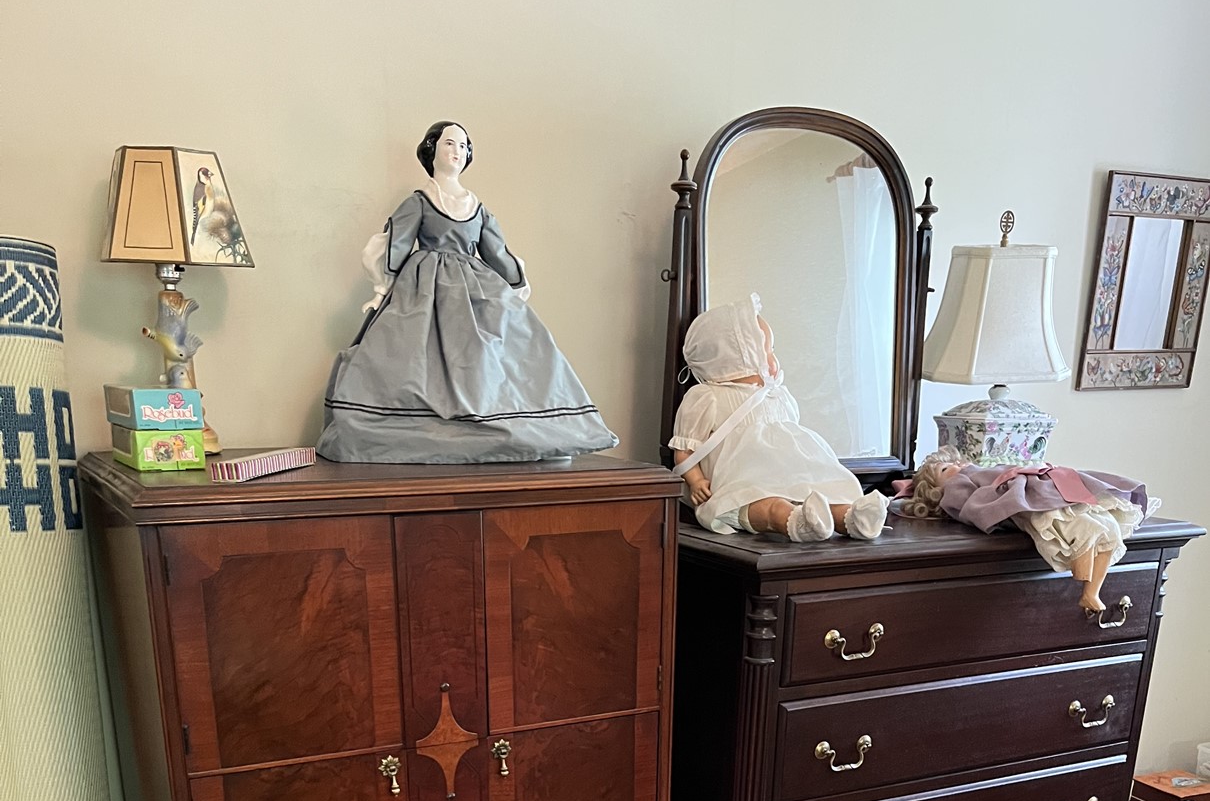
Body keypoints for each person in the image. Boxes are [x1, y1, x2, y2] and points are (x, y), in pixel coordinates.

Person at [317, 121, 618, 463]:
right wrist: (381, 288)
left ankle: (495, 425)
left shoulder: (476, 207)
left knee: (483, 358)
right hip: (423, 291)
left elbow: (496, 251)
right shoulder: (420, 201)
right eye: (449, 143)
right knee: (411, 356)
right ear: (431, 150)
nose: (457, 151)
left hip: (475, 292)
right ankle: (415, 427)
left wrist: (516, 287)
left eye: (463, 145)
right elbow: (395, 245)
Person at [668, 293, 888, 543]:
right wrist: (696, 480)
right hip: (744, 482)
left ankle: (848, 516)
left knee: (822, 491)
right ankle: (791, 521)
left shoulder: (777, 395)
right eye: (768, 350)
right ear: (739, 357)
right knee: (769, 505)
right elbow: (684, 451)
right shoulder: (708, 397)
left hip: (793, 475)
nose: (774, 358)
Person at [901, 446, 1156, 614]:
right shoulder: (957, 484)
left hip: (1045, 488)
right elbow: (968, 505)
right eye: (945, 469)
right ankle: (1087, 587)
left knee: (1109, 528)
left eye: (956, 462)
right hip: (1030, 500)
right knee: (1084, 529)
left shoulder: (978, 468)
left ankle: (1092, 591)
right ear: (938, 490)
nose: (957, 466)